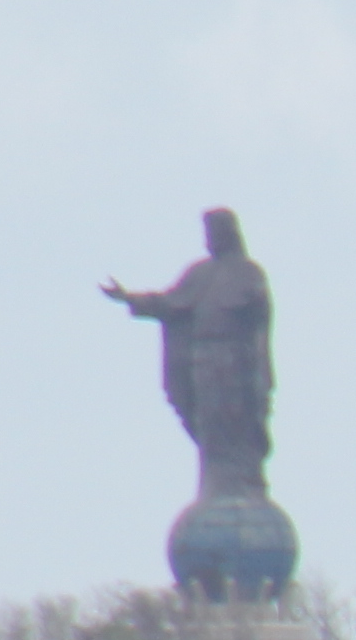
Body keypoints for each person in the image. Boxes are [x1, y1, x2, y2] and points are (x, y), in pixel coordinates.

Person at [101, 208, 275, 497]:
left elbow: (259, 321)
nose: (210, 240)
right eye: (208, 234)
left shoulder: (248, 273)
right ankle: (216, 480)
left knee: (237, 418)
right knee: (208, 420)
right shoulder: (199, 274)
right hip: (204, 361)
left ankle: (245, 479)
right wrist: (128, 297)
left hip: (236, 362)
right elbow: (171, 304)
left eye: (214, 233)